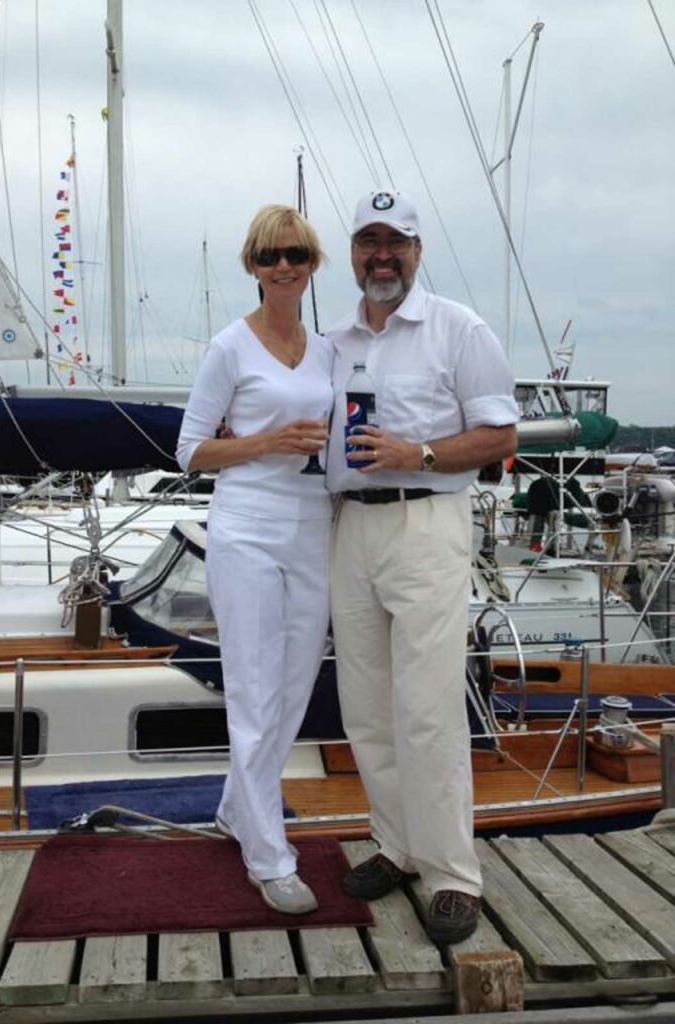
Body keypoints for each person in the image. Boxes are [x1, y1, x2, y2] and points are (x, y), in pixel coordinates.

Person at [326, 189, 519, 944]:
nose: (382, 256)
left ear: (417, 250)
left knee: (428, 706)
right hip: (352, 530)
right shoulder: (337, 341)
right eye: (369, 243)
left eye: (395, 243)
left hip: (425, 522)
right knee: (366, 703)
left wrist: (422, 454)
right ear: (353, 253)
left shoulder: (458, 330)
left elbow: (499, 436)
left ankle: (450, 873)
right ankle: (397, 844)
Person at [176, 205, 332, 915]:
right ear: (252, 265)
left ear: (311, 263)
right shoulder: (229, 348)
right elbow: (189, 451)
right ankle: (270, 855)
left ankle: (239, 811)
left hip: (311, 527)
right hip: (245, 527)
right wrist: (267, 442)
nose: (283, 266)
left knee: (293, 688)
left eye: (295, 254)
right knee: (254, 686)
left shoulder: (328, 351)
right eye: (270, 256)